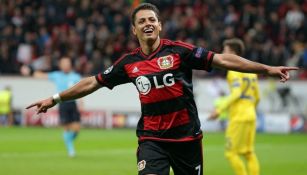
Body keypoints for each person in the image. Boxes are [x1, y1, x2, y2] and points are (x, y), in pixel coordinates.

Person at [26, 3, 298, 175]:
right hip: (152, 139)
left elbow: (223, 59)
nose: (147, 24)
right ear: (134, 30)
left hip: (186, 139)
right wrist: (55, 98)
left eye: (152, 20)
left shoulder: (179, 51)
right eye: (142, 21)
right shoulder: (129, 63)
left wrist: (266, 68)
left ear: (160, 25)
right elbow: (93, 82)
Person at [208, 38, 261, 175]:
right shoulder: (251, 71)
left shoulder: (234, 70)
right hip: (251, 114)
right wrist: (251, 108)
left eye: (225, 51)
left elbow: (237, 93)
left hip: (239, 116)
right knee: (249, 152)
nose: (222, 53)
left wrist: (219, 109)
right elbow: (258, 96)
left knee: (231, 153)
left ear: (232, 52)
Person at [21, 57, 82, 157]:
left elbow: (80, 89)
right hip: (62, 104)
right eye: (63, 63)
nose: (65, 65)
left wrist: (81, 102)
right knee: (67, 128)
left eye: (67, 63)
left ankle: (67, 140)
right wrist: (29, 71)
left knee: (77, 129)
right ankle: (71, 150)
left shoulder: (75, 76)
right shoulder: (56, 75)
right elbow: (40, 75)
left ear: (70, 64)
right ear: (60, 65)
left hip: (73, 104)